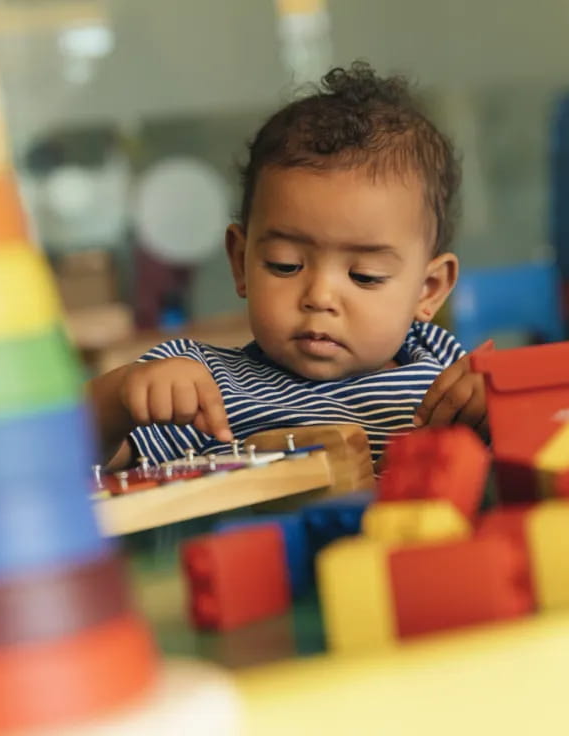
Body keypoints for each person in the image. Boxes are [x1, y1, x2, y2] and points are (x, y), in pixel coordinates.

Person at [88, 61, 486, 469]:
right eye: (285, 266)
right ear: (241, 263)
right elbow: (66, 460)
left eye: (364, 275)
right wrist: (120, 397)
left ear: (429, 289)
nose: (320, 297)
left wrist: (495, 411)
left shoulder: (442, 376)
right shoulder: (204, 387)